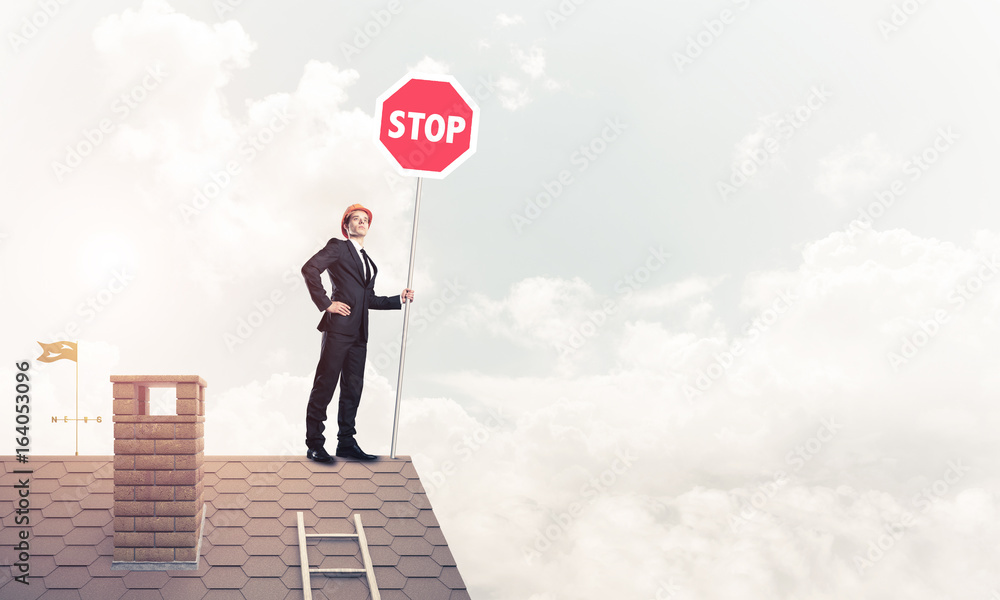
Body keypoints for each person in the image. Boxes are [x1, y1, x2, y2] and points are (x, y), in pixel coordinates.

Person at [301, 204, 415, 462]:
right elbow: (309, 269)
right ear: (346, 225)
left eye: (365, 220)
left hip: (360, 333)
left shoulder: (368, 261)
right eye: (356, 219)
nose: (362, 222)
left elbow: (368, 299)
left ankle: (346, 443)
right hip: (338, 328)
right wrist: (326, 304)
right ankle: (315, 443)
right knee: (325, 384)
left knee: (353, 388)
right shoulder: (338, 247)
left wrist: (399, 298)